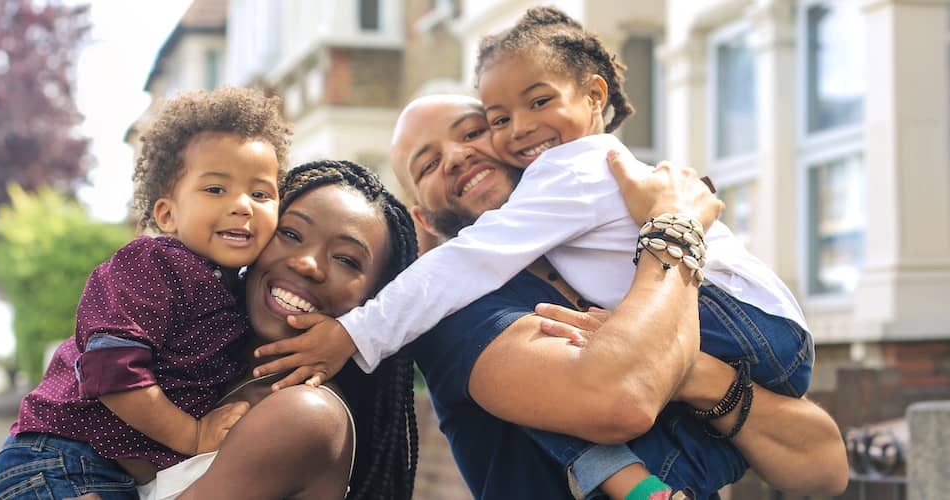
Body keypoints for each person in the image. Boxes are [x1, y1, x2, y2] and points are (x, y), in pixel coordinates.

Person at [255, 8, 815, 497]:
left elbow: (823, 460)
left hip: (751, 325)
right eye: (426, 164)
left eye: (474, 131)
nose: (457, 155)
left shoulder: (572, 171)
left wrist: (356, 334)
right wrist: (674, 232)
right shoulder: (462, 312)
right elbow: (623, 395)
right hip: (769, 338)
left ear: (593, 96)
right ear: (421, 217)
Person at [0, 87, 292, 499]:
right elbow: (113, 370)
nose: (243, 205)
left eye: (261, 194)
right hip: (61, 460)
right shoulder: (152, 264)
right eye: (216, 190)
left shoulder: (239, 290)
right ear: (167, 214)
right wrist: (192, 434)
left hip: (113, 476)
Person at [173, 160, 419, 500]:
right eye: (289, 234)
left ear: (375, 300)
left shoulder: (306, 413)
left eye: (346, 260)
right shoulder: (191, 368)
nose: (308, 264)